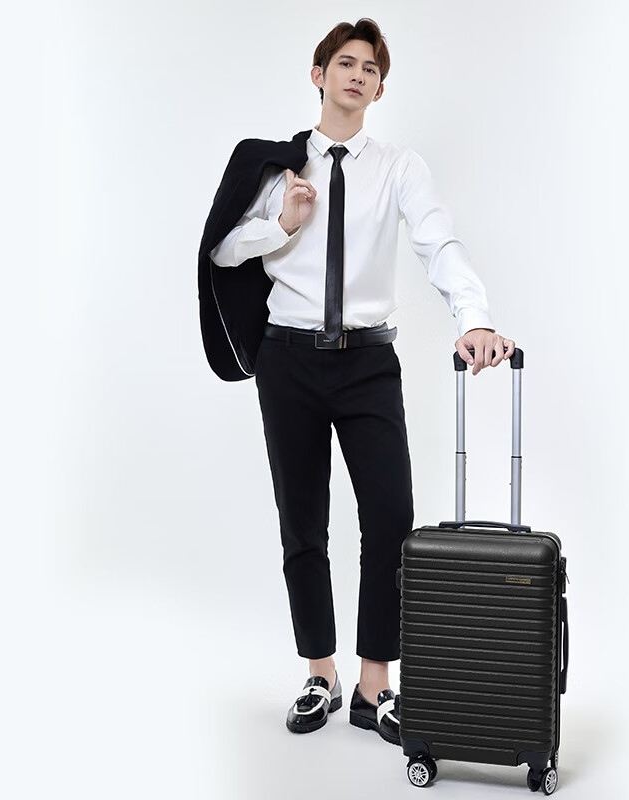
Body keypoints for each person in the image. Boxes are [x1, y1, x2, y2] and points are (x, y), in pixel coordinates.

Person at [203, 18, 515, 745]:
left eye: (370, 69)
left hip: (368, 362)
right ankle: (321, 673)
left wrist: (473, 317)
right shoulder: (276, 168)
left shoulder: (398, 166)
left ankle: (376, 686)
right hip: (287, 359)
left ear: (379, 89)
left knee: (390, 518)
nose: (357, 75)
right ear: (319, 75)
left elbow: (438, 241)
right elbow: (221, 250)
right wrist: (281, 224)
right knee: (302, 522)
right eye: (345, 63)